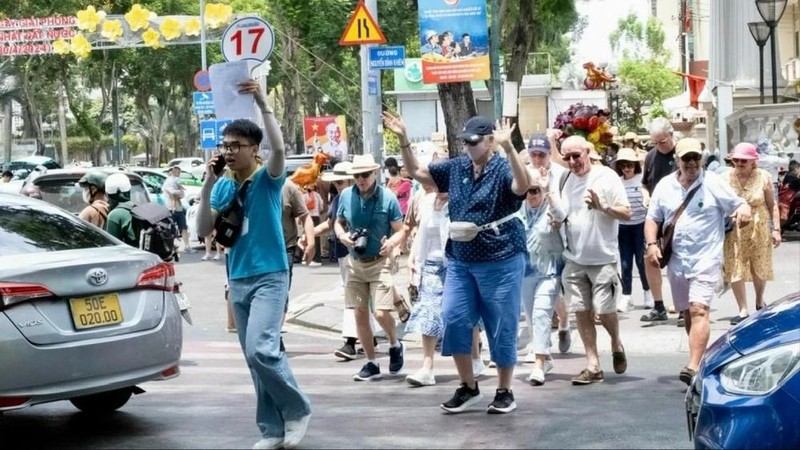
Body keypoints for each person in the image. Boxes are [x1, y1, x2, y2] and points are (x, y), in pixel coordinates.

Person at [383, 112, 530, 415]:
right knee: (453, 317)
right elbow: (416, 171)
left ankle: (504, 390)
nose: (468, 147)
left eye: (474, 142)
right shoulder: (458, 166)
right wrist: (403, 139)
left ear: (490, 141)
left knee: (501, 323)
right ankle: (468, 386)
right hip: (461, 258)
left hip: (500, 258)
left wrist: (510, 148)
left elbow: (521, 186)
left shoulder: (503, 167)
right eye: (465, 142)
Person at [195, 80, 311, 450]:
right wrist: (208, 185)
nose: (228, 151)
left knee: (262, 348)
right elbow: (203, 230)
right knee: (253, 358)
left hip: (271, 274)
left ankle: (297, 410)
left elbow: (278, 148)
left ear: (253, 149)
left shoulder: (268, 179)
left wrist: (263, 101)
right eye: (224, 145)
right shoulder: (224, 185)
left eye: (235, 146)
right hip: (238, 277)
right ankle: (271, 429)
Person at [645, 138, 751, 385]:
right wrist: (651, 245)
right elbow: (653, 219)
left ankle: (692, 366)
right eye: (686, 158)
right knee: (687, 312)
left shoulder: (713, 183)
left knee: (699, 309)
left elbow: (739, 204)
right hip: (677, 261)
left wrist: (743, 211)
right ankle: (700, 360)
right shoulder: (664, 186)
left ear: (702, 159)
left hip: (706, 259)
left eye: (696, 158)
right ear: (677, 161)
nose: (692, 163)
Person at [557, 136, 631, 385]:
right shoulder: (565, 179)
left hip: (603, 257)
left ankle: (615, 342)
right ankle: (593, 364)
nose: (572, 162)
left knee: (605, 311)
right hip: (574, 258)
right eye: (567, 157)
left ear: (588, 152)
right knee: (581, 311)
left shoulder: (606, 177)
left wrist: (603, 207)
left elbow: (627, 212)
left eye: (576, 155)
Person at [333, 154, 406, 382]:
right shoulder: (346, 195)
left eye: (365, 175)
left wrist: (392, 243)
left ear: (375, 173)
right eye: (356, 176)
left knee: (381, 312)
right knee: (359, 313)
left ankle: (395, 343)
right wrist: (342, 235)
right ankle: (371, 363)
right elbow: (338, 222)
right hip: (355, 263)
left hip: (380, 262)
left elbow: (401, 229)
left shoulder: (388, 198)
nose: (361, 179)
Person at [721, 143, 782, 325]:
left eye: (744, 160)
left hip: (759, 226)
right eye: (736, 159)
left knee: (759, 264)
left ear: (753, 161)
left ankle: (759, 300)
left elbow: (772, 205)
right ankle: (742, 309)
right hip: (734, 228)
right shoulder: (724, 178)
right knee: (735, 265)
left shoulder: (764, 177)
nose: (739, 163)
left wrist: (776, 229)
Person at [519, 166, 566, 386]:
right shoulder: (519, 209)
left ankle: (538, 365)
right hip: (525, 271)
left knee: (540, 314)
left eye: (535, 190)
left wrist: (549, 192)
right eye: (527, 191)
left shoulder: (551, 206)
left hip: (549, 271)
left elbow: (561, 215)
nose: (531, 195)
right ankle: (545, 357)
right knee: (530, 317)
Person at [526, 133, 572, 354]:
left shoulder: (561, 175)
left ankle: (564, 322)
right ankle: (538, 344)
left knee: (557, 292)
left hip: (558, 236)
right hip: (533, 240)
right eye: (533, 154)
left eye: (541, 154)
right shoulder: (524, 173)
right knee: (539, 295)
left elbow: (567, 204)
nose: (537, 159)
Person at [640, 118, 679, 324]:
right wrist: (646, 196)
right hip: (656, 216)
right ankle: (658, 305)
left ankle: (683, 306)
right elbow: (645, 184)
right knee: (650, 258)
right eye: (654, 142)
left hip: (679, 215)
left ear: (671, 135)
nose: (658, 146)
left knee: (678, 261)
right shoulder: (650, 157)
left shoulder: (682, 155)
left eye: (662, 142)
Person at [614, 148, 651, 312]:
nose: (626, 168)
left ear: (635, 165)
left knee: (642, 262)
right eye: (622, 165)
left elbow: (647, 196)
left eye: (629, 165)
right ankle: (626, 295)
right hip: (623, 227)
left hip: (640, 225)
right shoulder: (618, 182)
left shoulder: (641, 179)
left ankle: (648, 292)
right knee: (625, 263)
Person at [162, 166, 191, 253]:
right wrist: (178, 192)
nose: (176, 175)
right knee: (170, 229)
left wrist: (178, 192)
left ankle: (187, 246)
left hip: (179, 208)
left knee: (184, 227)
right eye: (174, 173)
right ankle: (171, 247)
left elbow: (182, 194)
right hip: (171, 208)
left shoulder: (177, 183)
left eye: (178, 173)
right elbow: (172, 192)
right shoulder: (167, 183)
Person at [105, 173, 138, 246]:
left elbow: (112, 247)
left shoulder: (115, 215)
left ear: (107, 194)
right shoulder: (136, 208)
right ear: (129, 190)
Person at [302, 185, 323, 265]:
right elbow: (321, 206)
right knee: (316, 238)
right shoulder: (317, 195)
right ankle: (317, 258)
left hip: (307, 218)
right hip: (316, 217)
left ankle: (307, 257)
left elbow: (302, 208)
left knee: (307, 237)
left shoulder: (304, 196)